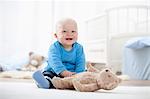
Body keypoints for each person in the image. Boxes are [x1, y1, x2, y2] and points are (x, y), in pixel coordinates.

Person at [32, 18, 86, 89]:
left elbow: (81, 62)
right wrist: (63, 72)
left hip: (73, 74)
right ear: (56, 36)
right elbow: (54, 61)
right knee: (49, 75)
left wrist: (79, 74)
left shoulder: (79, 48)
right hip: (55, 72)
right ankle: (45, 82)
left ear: (77, 34)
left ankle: (76, 83)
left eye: (73, 31)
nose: (69, 34)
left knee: (85, 75)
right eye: (64, 31)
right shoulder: (54, 47)